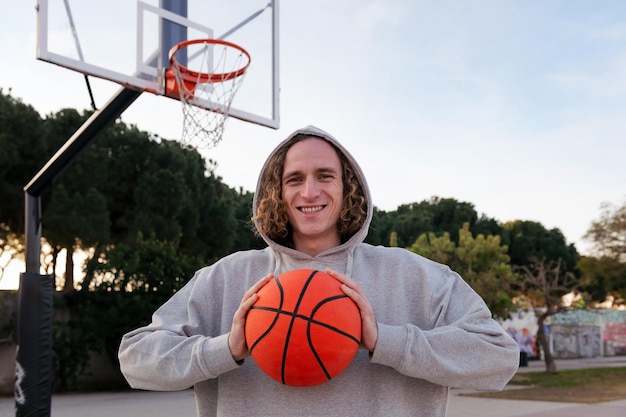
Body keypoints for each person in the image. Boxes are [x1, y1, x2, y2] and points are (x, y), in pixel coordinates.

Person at [118, 125, 519, 417]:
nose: (310, 192)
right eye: (295, 179)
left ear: (349, 189)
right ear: (278, 192)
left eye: (325, 176)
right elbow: (135, 359)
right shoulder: (224, 278)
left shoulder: (415, 275)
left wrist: (386, 341)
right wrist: (228, 348)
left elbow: (499, 357)